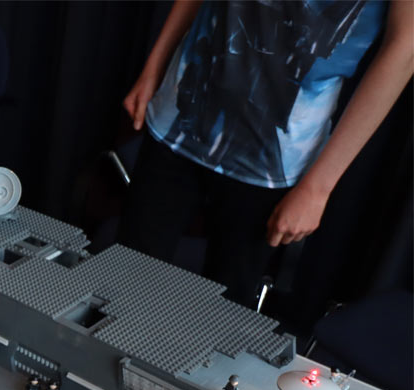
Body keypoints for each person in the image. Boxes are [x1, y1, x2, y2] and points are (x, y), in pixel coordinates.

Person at [118, 0, 413, 307]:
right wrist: (154, 66)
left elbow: (405, 49)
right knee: (125, 284)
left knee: (224, 312)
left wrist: (318, 188)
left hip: (274, 158)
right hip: (179, 115)